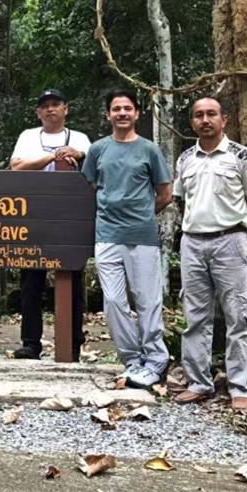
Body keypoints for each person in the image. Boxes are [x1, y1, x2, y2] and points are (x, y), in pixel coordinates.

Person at [173, 98, 247, 410]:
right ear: (192, 122)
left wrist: (239, 232)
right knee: (195, 316)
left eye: (211, 114)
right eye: (198, 115)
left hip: (231, 241)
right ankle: (198, 382)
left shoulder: (241, 155)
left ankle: (241, 387)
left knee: (238, 315)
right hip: (193, 243)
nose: (205, 120)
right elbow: (181, 201)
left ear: (224, 119)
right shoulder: (186, 158)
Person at [82, 90, 172, 388]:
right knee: (113, 301)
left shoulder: (149, 150)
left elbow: (165, 194)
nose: (122, 113)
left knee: (147, 300)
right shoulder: (98, 150)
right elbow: (93, 185)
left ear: (137, 113)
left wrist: (142, 214)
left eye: (127, 108)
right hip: (107, 235)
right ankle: (132, 360)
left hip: (142, 236)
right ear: (108, 114)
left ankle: (156, 361)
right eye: (116, 108)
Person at [9, 88, 91, 360]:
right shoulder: (28, 136)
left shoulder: (80, 138)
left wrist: (79, 154)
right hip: (33, 215)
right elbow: (16, 166)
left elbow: (94, 170)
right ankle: (31, 343)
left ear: (66, 109)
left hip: (70, 217)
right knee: (31, 281)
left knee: (71, 281)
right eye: (45, 105)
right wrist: (52, 157)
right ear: (38, 112)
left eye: (56, 104)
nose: (50, 109)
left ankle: (72, 344)